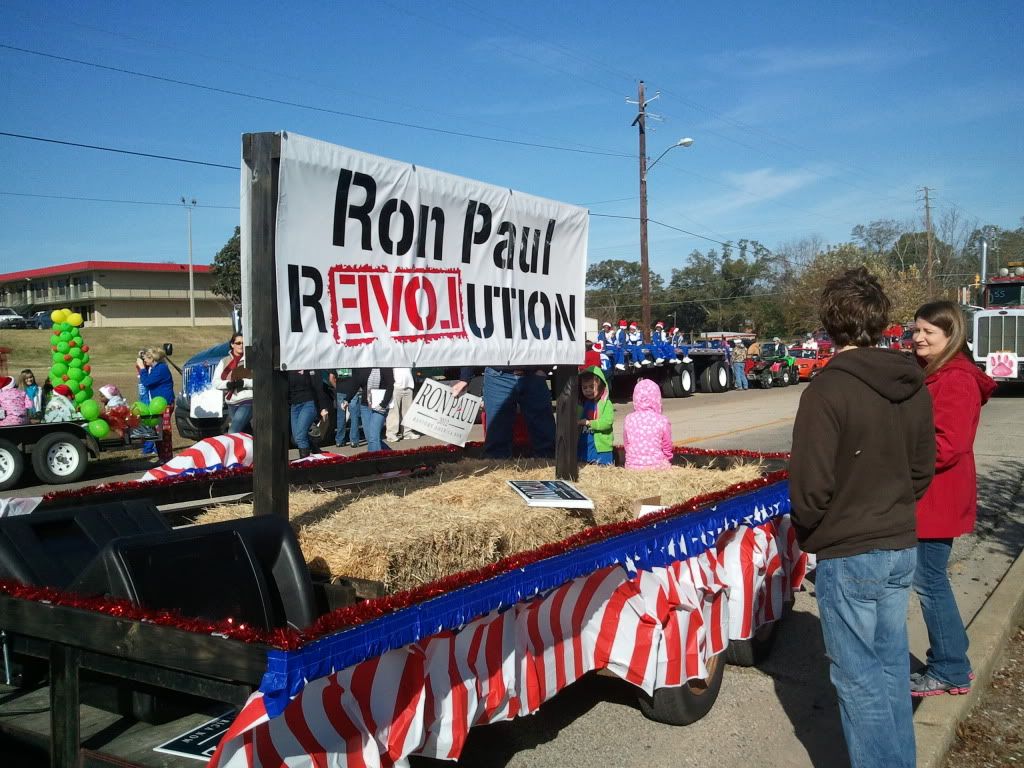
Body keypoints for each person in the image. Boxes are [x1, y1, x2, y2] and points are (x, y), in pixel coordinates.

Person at [789, 267, 935, 768]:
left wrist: (814, 531)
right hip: (898, 543)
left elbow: (810, 489)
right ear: (880, 321)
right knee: (891, 670)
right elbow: (922, 468)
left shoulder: (827, 391)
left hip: (851, 552)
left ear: (830, 325)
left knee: (860, 682)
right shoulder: (911, 381)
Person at [909, 300, 996, 697]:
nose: (919, 337)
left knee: (929, 581)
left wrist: (896, 458)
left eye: (929, 331)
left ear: (952, 336)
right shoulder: (937, 374)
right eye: (916, 330)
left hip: (937, 497)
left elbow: (948, 446)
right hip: (933, 495)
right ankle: (954, 659)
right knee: (931, 580)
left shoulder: (955, 379)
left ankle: (949, 669)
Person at [453, 365, 554, 459]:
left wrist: (545, 369)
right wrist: (465, 377)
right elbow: (475, 346)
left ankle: (549, 467)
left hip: (533, 375)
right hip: (497, 376)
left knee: (545, 435)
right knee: (497, 441)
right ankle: (498, 472)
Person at [623, 378, 673, 469]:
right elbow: (667, 446)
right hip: (656, 466)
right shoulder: (662, 420)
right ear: (657, 398)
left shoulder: (629, 419)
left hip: (632, 467)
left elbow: (627, 444)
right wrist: (667, 459)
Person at [136, 347, 175, 457]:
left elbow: (147, 382)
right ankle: (162, 456)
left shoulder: (161, 369)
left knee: (164, 431)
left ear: (152, 359)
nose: (145, 361)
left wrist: (142, 368)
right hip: (158, 405)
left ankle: (167, 457)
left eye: (146, 358)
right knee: (157, 432)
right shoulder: (155, 368)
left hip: (165, 404)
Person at [212, 332, 253, 434]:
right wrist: (228, 384)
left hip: (247, 401)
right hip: (231, 402)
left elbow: (260, 381)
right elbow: (215, 382)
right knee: (245, 433)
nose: (241, 345)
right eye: (238, 343)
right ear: (232, 344)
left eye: (243, 343)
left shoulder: (251, 360)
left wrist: (244, 383)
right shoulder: (224, 361)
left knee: (233, 431)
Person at [287, 369, 330, 459]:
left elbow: (319, 387)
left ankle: (305, 463)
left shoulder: (310, 367)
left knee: (300, 437)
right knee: (296, 439)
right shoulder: (288, 368)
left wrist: (323, 407)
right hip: (294, 405)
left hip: (309, 402)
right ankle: (314, 448)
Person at [576, 365, 614, 465]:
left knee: (602, 471)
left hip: (601, 448)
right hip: (586, 446)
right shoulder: (585, 403)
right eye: (585, 387)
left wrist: (589, 422)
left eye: (591, 387)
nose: (588, 390)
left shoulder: (606, 403)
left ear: (601, 385)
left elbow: (607, 423)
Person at [351, 367, 394, 452]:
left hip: (380, 406)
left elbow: (390, 386)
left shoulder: (385, 367)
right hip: (365, 406)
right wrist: (347, 399)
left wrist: (383, 404)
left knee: (373, 436)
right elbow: (356, 384)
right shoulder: (364, 367)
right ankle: (390, 454)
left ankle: (375, 462)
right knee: (369, 437)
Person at [329, 369, 362, 447]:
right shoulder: (354, 361)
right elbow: (358, 377)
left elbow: (331, 378)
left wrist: (337, 388)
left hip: (341, 391)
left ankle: (339, 441)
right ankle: (354, 441)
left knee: (341, 417)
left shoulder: (337, 362)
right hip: (353, 391)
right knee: (354, 416)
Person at [386, 367, 419, 442]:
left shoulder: (408, 357)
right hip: (396, 387)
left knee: (407, 412)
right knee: (394, 412)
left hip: (408, 387)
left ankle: (407, 432)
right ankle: (391, 434)